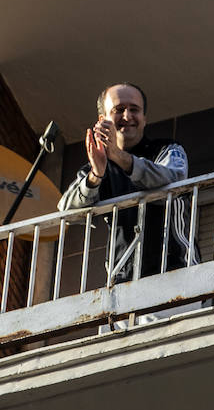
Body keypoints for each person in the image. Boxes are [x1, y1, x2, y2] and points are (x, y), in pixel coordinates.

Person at [59, 82, 198, 279]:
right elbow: (66, 211)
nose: (127, 116)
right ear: (102, 120)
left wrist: (119, 156)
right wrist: (95, 176)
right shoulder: (97, 166)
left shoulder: (167, 149)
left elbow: (172, 180)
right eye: (119, 109)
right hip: (123, 283)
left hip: (177, 271)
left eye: (135, 110)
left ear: (144, 118)